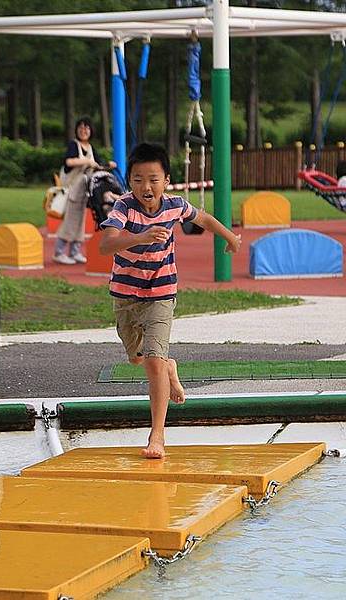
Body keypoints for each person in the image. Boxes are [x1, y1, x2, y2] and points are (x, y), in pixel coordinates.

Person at [99, 142, 242, 459]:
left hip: (161, 292)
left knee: (152, 362)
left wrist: (230, 237)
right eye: (137, 179)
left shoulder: (175, 205)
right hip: (125, 295)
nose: (145, 187)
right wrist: (140, 237)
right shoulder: (123, 208)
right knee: (138, 359)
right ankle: (170, 367)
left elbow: (202, 219)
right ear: (130, 182)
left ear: (166, 180)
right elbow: (106, 245)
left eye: (152, 179)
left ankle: (157, 436)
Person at [53, 117, 116, 265]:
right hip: (71, 190)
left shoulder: (91, 148)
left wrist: (108, 166)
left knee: (80, 221)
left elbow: (98, 166)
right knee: (70, 221)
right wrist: (87, 161)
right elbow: (69, 162)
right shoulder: (73, 145)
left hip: (83, 191)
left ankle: (75, 251)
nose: (84, 131)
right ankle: (59, 252)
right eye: (81, 128)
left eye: (86, 128)